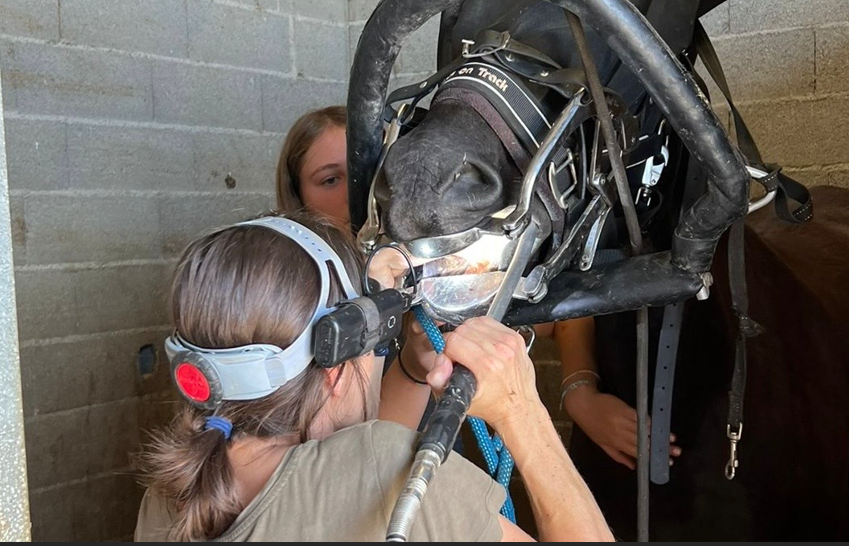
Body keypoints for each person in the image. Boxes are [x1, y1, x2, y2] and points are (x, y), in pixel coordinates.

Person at [134, 211, 614, 542]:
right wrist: (521, 410)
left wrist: (410, 369)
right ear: (335, 367)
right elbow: (366, 469)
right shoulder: (391, 480)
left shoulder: (176, 488)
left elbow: (346, 469)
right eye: (378, 343)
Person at [275, 106, 680, 470]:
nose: (357, 195)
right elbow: (354, 466)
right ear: (298, 197)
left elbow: (546, 308)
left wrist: (579, 393)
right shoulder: (291, 302)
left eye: (370, 173)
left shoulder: (430, 260)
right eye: (330, 179)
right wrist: (415, 369)